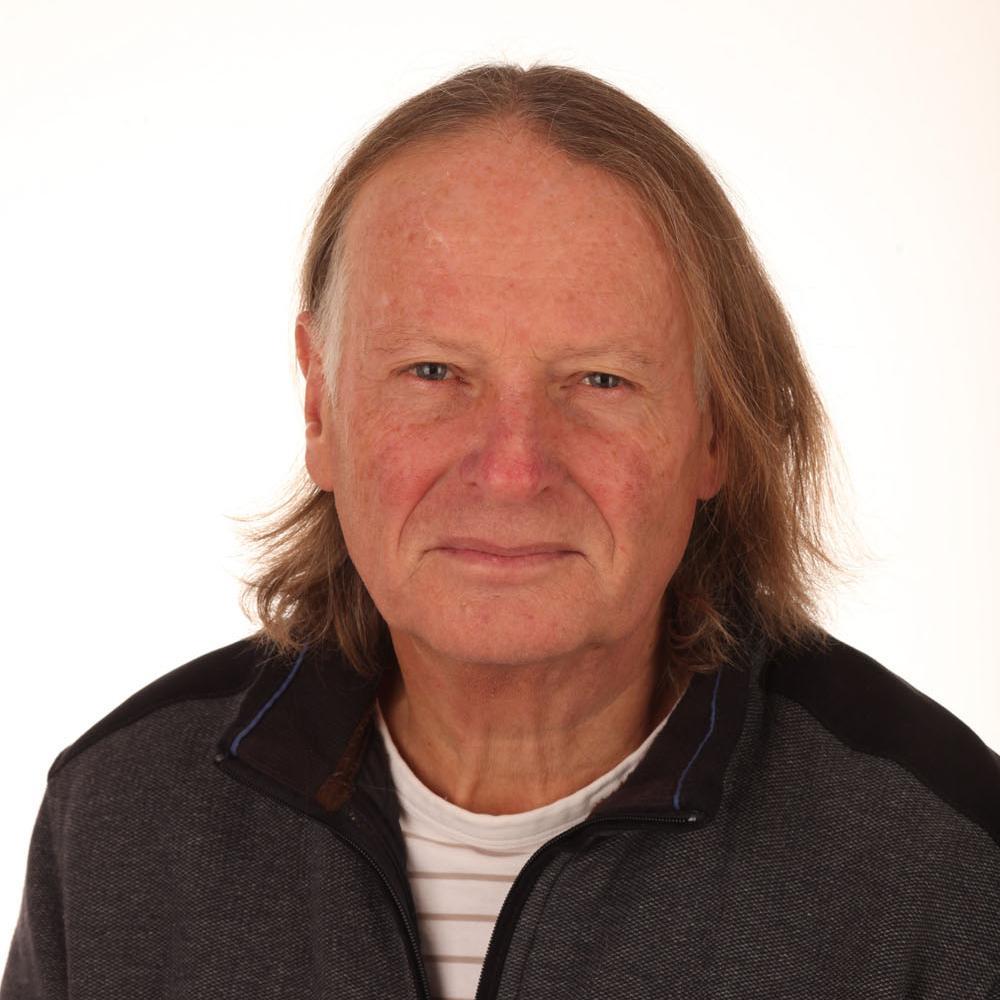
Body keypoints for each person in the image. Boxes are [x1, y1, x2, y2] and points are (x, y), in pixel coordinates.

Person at [2, 63, 998, 1000]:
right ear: (319, 408)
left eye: (600, 380)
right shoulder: (118, 822)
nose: (514, 468)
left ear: (715, 431)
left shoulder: (939, 866)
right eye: (433, 372)